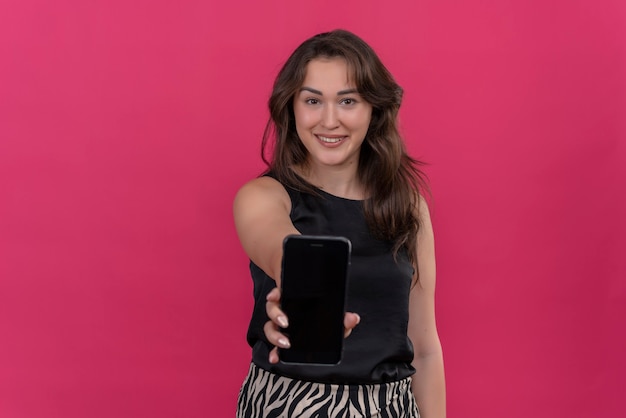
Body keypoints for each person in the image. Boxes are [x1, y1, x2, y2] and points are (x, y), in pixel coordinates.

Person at [233, 29, 446, 418]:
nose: (329, 120)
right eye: (313, 100)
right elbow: (275, 241)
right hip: (287, 406)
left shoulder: (408, 206)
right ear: (292, 107)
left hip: (390, 409)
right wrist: (303, 287)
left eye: (347, 101)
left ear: (373, 109)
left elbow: (426, 348)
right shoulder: (263, 195)